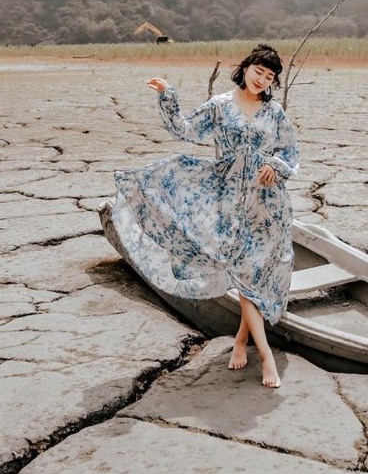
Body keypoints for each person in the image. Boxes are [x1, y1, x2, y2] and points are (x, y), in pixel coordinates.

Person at [110, 44, 299, 388]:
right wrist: (168, 95)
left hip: (266, 201)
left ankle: (241, 341)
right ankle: (266, 354)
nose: (262, 80)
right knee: (240, 269)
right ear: (245, 68)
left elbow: (289, 149)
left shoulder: (274, 114)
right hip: (227, 196)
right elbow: (185, 129)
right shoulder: (221, 105)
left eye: (270, 77)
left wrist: (275, 164)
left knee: (254, 274)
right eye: (258, 71)